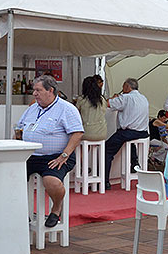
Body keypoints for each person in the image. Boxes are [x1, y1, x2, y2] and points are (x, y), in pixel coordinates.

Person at [17, 75, 84, 227]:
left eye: (38, 90)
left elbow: (78, 133)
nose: (34, 94)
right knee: (10, 176)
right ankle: (21, 211)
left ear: (50, 91)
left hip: (56, 155)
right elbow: (19, 127)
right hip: (30, 155)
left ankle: (56, 209)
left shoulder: (67, 109)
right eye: (34, 90)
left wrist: (64, 155)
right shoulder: (32, 108)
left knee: (51, 182)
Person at [104, 78, 149, 189]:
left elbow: (107, 103)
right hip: (142, 132)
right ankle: (134, 163)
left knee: (107, 150)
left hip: (129, 132)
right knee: (129, 142)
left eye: (123, 87)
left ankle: (105, 181)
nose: (122, 89)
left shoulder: (125, 98)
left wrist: (114, 98)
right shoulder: (144, 98)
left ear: (128, 87)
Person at [76, 76, 108, 141]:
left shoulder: (81, 100)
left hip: (86, 133)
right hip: (102, 133)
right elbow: (104, 110)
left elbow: (76, 113)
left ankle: (83, 151)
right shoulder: (102, 99)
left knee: (75, 137)